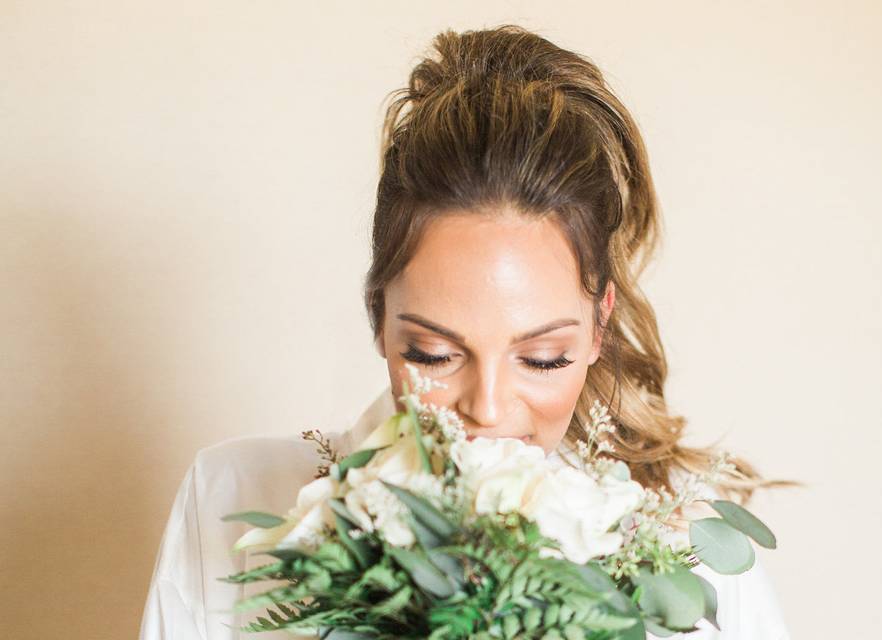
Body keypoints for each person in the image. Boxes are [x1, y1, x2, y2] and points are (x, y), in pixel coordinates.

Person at [140, 24, 793, 639]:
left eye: (541, 358)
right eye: (435, 353)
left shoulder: (692, 561)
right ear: (379, 319)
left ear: (598, 329)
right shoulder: (233, 499)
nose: (485, 409)